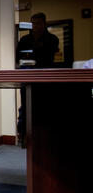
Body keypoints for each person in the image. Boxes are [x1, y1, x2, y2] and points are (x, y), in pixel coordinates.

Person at [16, 13, 59, 145]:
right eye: (33, 23)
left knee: (45, 106)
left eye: (38, 23)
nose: (35, 26)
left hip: (45, 77)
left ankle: (45, 138)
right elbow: (18, 58)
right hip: (27, 76)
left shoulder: (52, 39)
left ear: (44, 24)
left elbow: (48, 56)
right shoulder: (24, 40)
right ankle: (23, 136)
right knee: (25, 106)